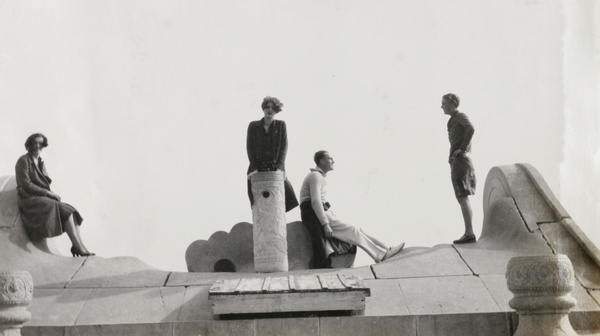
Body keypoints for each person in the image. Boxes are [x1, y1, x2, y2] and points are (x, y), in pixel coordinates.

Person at [299, 150, 405, 268]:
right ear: (322, 161)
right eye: (330, 158)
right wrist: (325, 224)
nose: (333, 161)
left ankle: (387, 248)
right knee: (352, 230)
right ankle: (380, 255)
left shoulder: (318, 176)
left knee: (358, 229)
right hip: (314, 213)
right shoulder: (315, 176)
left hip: (317, 211)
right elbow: (315, 201)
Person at [15, 133, 94, 257]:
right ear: (29, 144)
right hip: (28, 199)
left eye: (40, 143)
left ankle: (79, 246)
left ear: (43, 146)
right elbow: (26, 184)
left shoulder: (40, 162)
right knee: (59, 207)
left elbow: (44, 184)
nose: (37, 146)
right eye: (34, 143)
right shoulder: (23, 160)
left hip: (40, 197)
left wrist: (48, 194)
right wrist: (48, 193)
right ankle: (78, 246)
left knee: (71, 211)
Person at [246, 96, 299, 212]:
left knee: (278, 202)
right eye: (267, 107)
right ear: (263, 109)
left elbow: (284, 147)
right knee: (258, 203)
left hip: (275, 169)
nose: (269, 110)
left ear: (276, 110)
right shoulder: (253, 126)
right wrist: (254, 168)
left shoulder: (281, 125)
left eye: (273, 108)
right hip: (257, 169)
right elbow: (249, 148)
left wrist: (280, 168)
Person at [441, 93, 477, 244]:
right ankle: (469, 231)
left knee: (462, 196)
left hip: (461, 160)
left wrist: (462, 149)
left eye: (444, 103)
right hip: (458, 160)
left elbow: (470, 128)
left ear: (451, 103)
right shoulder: (453, 120)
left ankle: (469, 232)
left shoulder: (460, 116)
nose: (441, 106)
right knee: (461, 196)